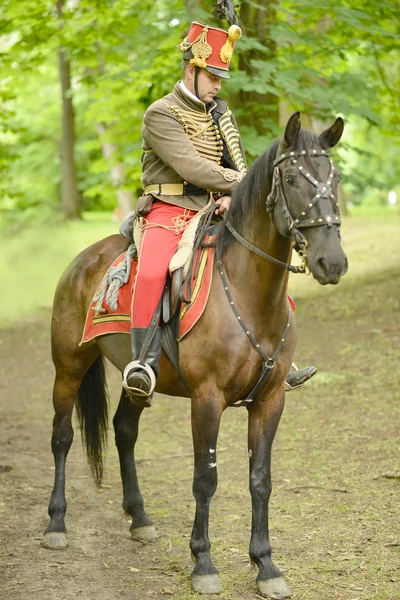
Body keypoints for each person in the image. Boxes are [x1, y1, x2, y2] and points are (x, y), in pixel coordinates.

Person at [120, 21, 316, 406]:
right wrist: (240, 185)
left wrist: (232, 198)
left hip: (214, 207)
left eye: (221, 78)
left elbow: (230, 164)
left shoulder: (218, 115)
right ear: (191, 70)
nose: (218, 85)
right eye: (212, 76)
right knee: (155, 269)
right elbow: (193, 168)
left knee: (260, 262)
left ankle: (275, 354)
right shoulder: (160, 113)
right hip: (168, 209)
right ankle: (142, 363)